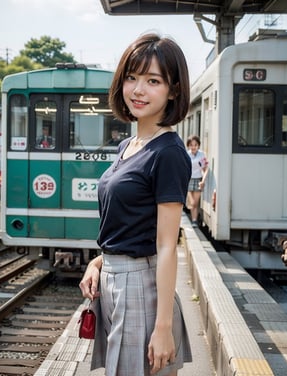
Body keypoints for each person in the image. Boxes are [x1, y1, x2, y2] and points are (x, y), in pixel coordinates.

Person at [79, 32, 192, 376]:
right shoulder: (129, 145)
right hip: (115, 281)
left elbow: (166, 245)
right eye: (131, 77)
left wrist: (163, 326)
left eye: (153, 80)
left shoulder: (168, 153)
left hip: (141, 289)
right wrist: (99, 262)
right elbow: (131, 223)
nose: (138, 90)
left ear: (173, 90)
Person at [186, 135, 208, 227]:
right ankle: (194, 217)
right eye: (191, 145)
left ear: (198, 145)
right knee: (192, 203)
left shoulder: (202, 154)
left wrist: (203, 181)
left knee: (195, 202)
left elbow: (205, 169)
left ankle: (194, 220)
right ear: (188, 146)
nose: (193, 147)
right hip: (188, 180)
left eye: (195, 145)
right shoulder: (186, 154)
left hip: (198, 179)